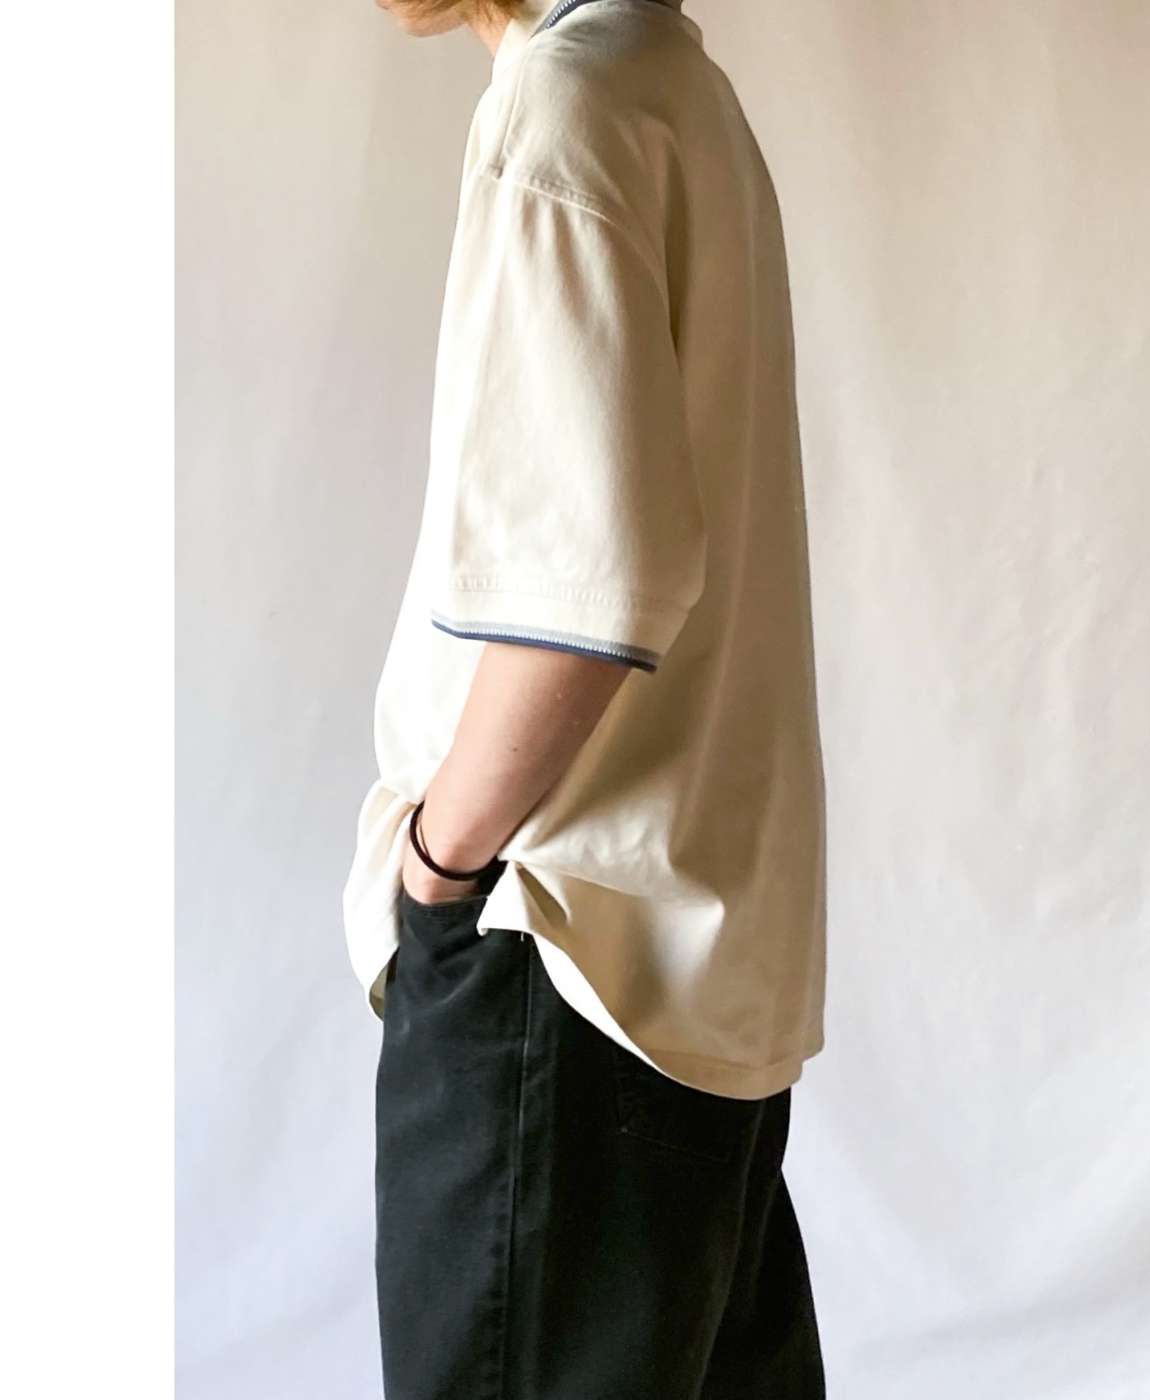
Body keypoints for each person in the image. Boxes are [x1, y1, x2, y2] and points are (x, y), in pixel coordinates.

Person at [341, 1, 829, 1394]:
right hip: (691, 968)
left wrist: (439, 867)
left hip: (556, 953)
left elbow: (589, 597)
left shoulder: (562, 108)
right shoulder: (672, 82)